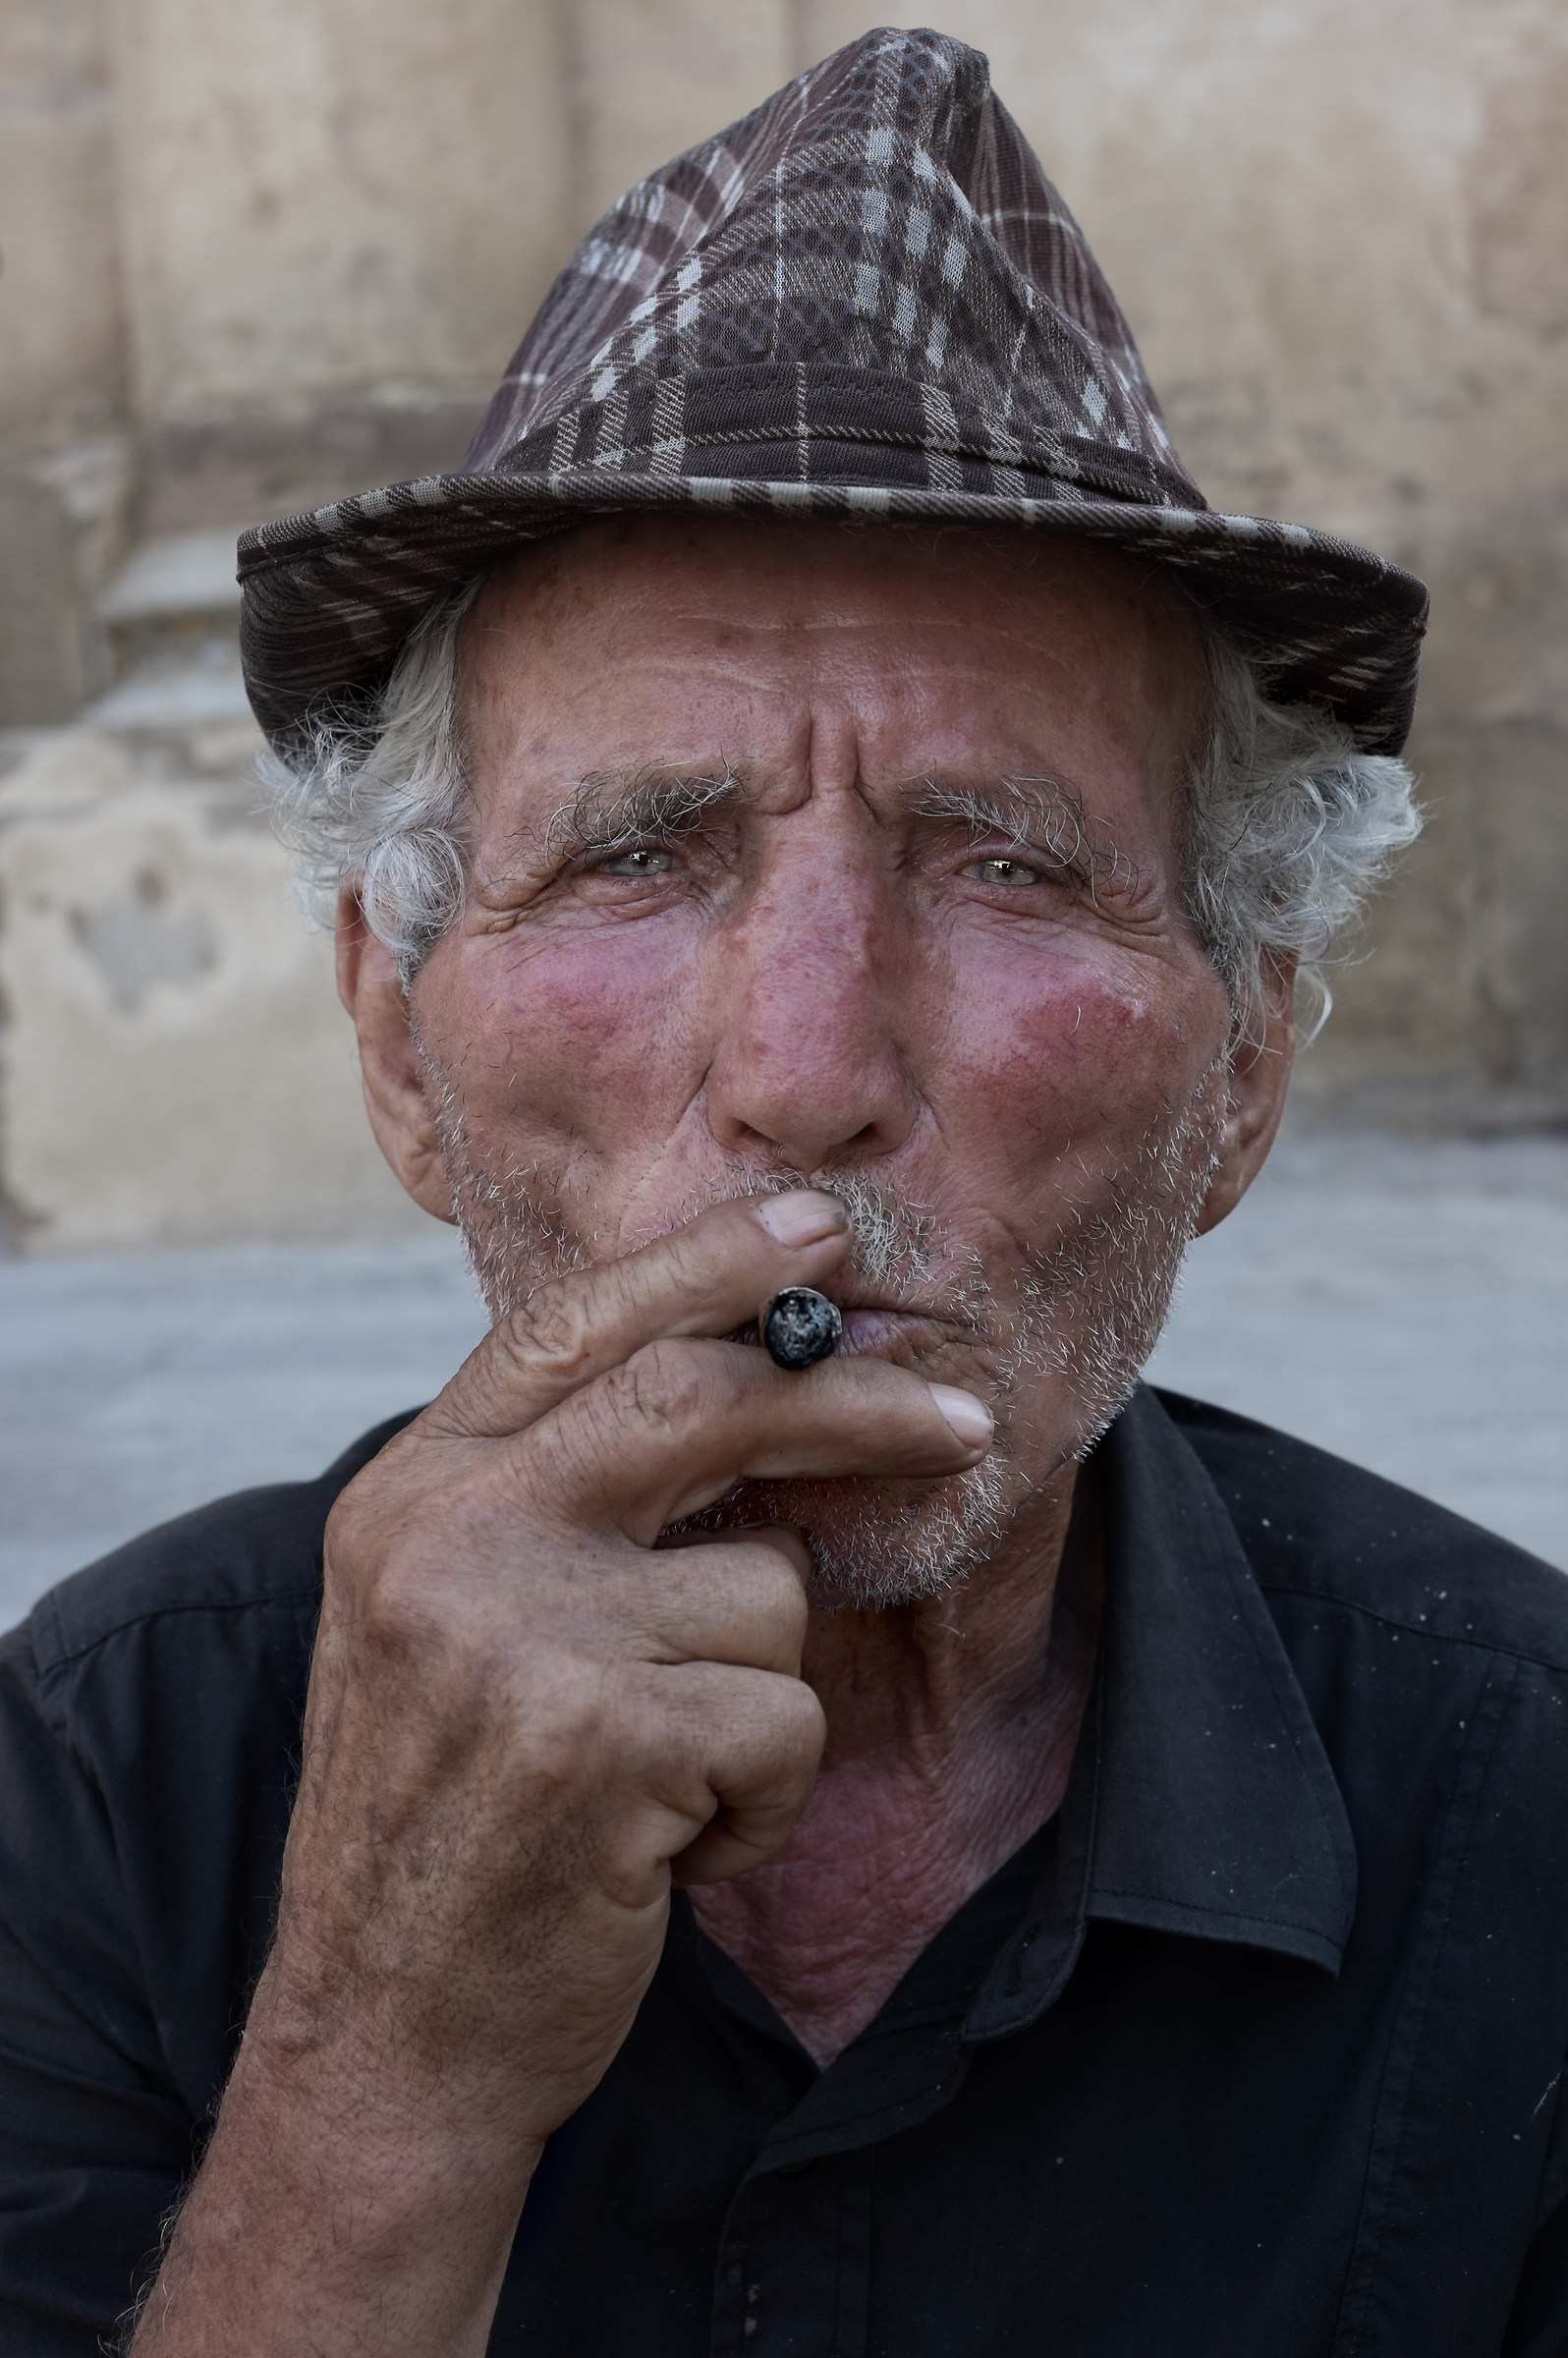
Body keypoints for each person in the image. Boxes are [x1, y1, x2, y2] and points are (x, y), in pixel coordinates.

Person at [4, 28, 1567, 2358]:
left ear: (1242, 1061)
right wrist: (385, 2067)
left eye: (1009, 860)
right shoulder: (104, 1783)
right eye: (641, 852)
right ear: (394, 1037)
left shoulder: (1525, 1812)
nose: (809, 1075)